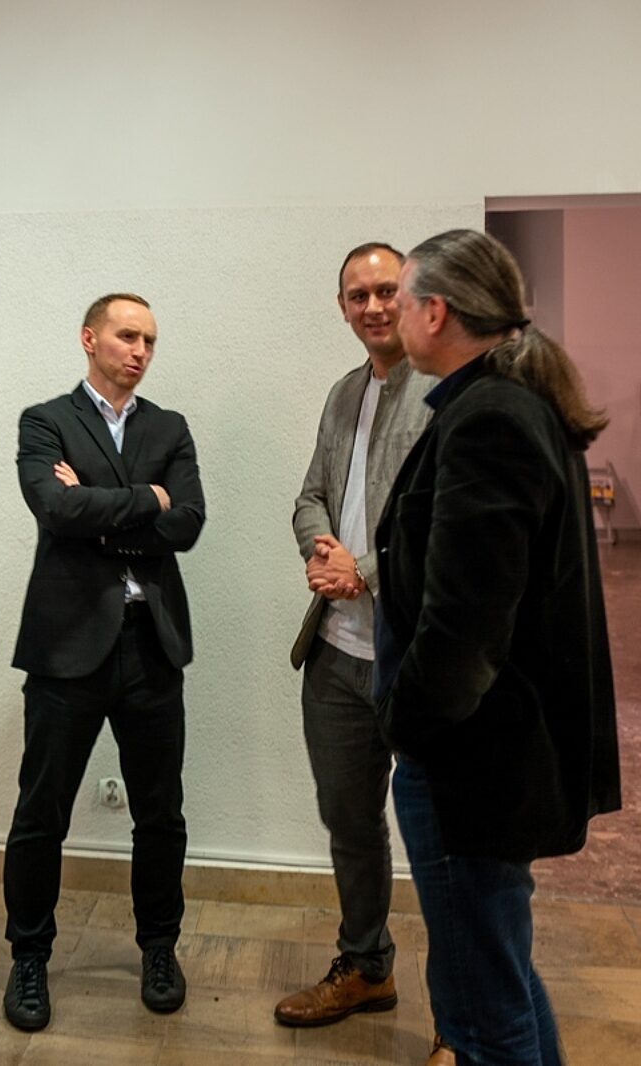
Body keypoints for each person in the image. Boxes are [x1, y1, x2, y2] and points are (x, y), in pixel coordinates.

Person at [375, 228, 620, 1066]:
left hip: (469, 763)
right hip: (487, 757)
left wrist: (405, 724)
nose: (393, 315)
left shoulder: (489, 419)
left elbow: (465, 626)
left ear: (435, 311)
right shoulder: (507, 402)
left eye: (402, 298)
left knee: (482, 1009)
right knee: (498, 973)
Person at [1, 293, 205, 1030]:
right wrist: (147, 498)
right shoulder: (46, 420)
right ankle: (29, 957)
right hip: (66, 647)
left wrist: (97, 503)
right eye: (126, 336)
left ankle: (159, 948)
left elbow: (189, 523)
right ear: (90, 339)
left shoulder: (169, 427)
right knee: (41, 812)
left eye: (150, 339)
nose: (140, 351)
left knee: (161, 814)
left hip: (151, 644)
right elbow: (53, 510)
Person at [276, 244, 435, 1029]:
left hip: (420, 657)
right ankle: (367, 966)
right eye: (357, 295)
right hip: (337, 655)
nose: (372, 306)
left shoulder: (446, 392)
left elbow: (444, 524)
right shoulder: (346, 392)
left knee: (444, 843)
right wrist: (323, 553)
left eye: (385, 290)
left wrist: (363, 571)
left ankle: (460, 1023)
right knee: (351, 825)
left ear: (414, 295)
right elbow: (310, 494)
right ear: (341, 307)